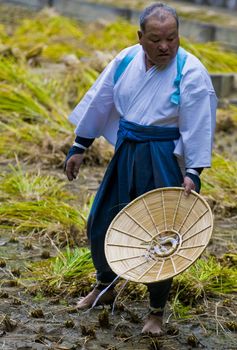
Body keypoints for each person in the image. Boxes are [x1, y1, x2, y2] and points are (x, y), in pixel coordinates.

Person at [65, 2, 217, 336]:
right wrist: (79, 146)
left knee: (161, 234)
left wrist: (193, 172)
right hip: (127, 151)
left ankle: (156, 311)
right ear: (140, 37)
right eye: (156, 39)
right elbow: (100, 101)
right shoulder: (125, 60)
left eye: (172, 39)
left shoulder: (190, 71)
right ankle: (105, 287)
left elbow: (199, 124)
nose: (165, 47)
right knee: (103, 219)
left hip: (163, 155)